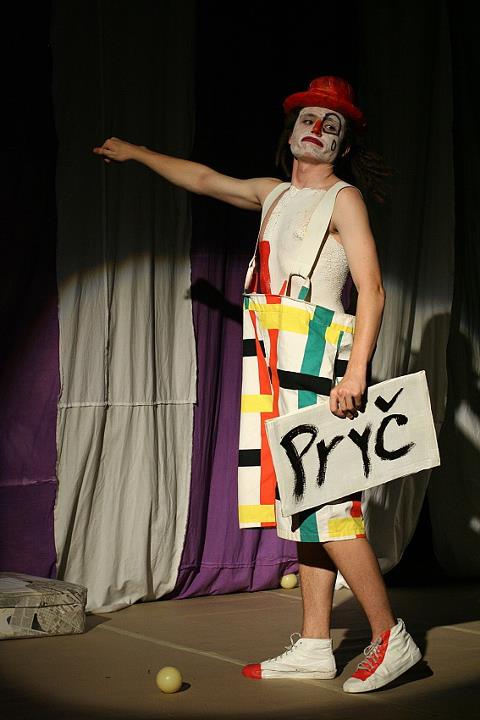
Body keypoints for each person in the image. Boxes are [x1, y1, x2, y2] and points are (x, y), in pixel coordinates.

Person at [93, 76, 422, 693]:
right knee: (302, 502)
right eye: (309, 118)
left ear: (344, 144)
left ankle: (389, 635)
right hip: (273, 358)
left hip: (319, 359)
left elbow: (372, 289)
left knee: (329, 505)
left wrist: (356, 372)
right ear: (291, 129)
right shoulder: (273, 195)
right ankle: (316, 644)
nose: (317, 128)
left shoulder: (343, 199)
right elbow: (203, 178)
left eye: (331, 124)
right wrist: (136, 153)